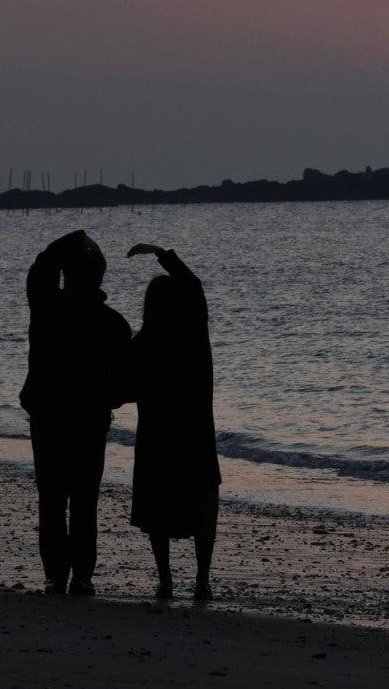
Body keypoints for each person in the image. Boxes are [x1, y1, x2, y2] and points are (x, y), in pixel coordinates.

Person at [20, 229, 131, 596]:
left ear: (67, 274)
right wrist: (106, 398)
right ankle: (81, 575)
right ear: (99, 276)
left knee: (52, 498)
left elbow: (40, 269)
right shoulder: (114, 324)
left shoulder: (46, 307)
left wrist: (67, 241)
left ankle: (56, 575)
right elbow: (125, 384)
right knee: (84, 499)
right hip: (87, 418)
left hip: (50, 415)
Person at [117, 243, 220, 601]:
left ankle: (165, 580)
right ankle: (203, 580)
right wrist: (163, 254)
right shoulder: (194, 338)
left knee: (157, 509)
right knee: (203, 503)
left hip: (157, 437)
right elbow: (195, 287)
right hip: (196, 436)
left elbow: (121, 388)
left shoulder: (143, 344)